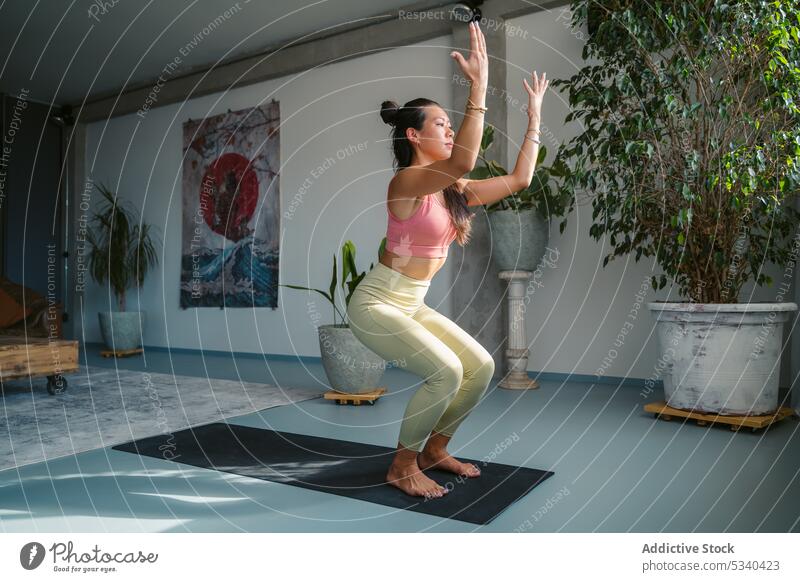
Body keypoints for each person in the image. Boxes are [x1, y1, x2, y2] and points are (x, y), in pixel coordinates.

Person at [347, 20, 550, 499]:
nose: (451, 130)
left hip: (411, 304)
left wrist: (534, 117)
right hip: (376, 305)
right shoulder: (405, 183)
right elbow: (462, 160)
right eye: (441, 123)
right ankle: (402, 465)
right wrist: (478, 85)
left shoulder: (452, 193)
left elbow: (520, 179)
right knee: (447, 371)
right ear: (415, 137)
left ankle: (435, 449)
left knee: (478, 367)